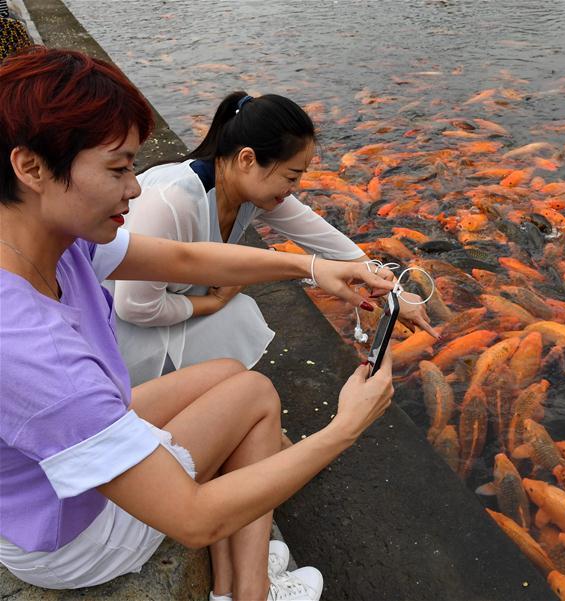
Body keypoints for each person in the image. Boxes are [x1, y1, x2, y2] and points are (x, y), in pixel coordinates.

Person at [0, 46, 396, 601]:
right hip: (74, 538)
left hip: (43, 485)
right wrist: (346, 427)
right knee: (255, 395)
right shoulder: (29, 347)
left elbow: (184, 261)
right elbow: (191, 519)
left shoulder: (47, 242)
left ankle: (238, 585)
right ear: (32, 167)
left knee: (228, 374)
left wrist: (313, 268)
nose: (135, 187)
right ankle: (249, 592)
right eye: (117, 169)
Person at [110, 91, 438, 385]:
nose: (293, 188)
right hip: (112, 328)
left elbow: (329, 244)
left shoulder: (250, 193)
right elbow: (134, 307)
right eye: (291, 175)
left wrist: (394, 294)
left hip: (166, 308)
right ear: (247, 159)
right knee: (235, 314)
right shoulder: (173, 200)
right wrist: (213, 302)